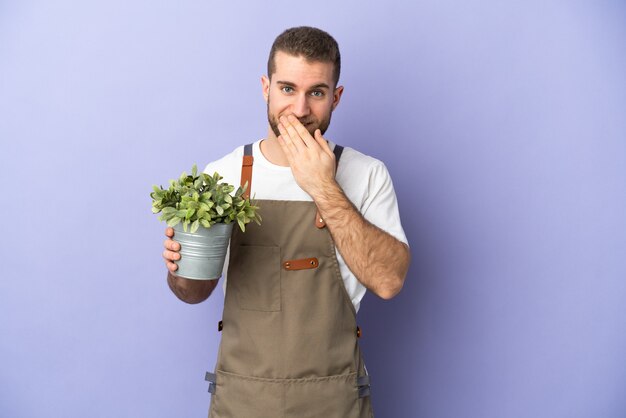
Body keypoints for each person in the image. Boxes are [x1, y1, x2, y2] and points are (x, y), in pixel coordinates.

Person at [161, 26, 410, 418]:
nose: (299, 110)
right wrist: (181, 267)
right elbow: (193, 292)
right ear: (266, 88)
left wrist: (323, 186)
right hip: (242, 401)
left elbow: (389, 281)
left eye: (317, 92)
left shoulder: (366, 174)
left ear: (336, 97)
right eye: (288, 89)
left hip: (335, 402)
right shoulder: (223, 176)